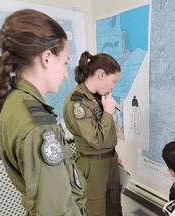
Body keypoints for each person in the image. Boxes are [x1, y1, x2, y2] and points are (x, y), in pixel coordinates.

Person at [0, 9, 86, 216]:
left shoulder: (14, 101)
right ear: (47, 58)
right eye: (65, 61)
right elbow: (55, 210)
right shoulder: (39, 127)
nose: (66, 72)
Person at [63, 51, 123, 216]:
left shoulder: (96, 97)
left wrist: (113, 155)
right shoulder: (77, 103)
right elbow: (95, 140)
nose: (113, 87)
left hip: (109, 160)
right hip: (93, 165)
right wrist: (108, 113)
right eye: (113, 81)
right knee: (96, 210)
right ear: (101, 74)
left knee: (114, 207)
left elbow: (106, 133)